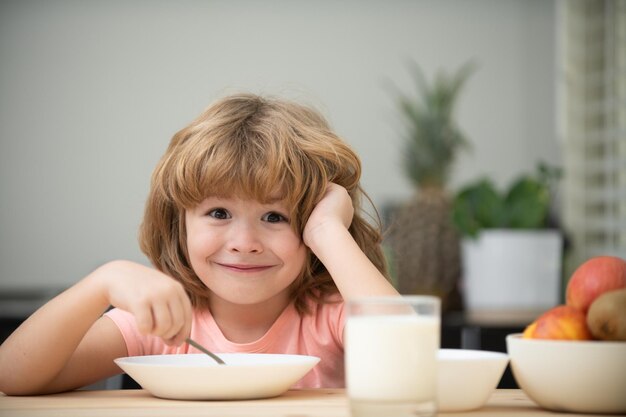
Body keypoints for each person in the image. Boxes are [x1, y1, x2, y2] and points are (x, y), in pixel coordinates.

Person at [0, 93, 399, 395]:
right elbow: (12, 377)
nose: (244, 243)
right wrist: (102, 282)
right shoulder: (163, 321)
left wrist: (329, 231)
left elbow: (406, 359)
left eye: (275, 217)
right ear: (180, 224)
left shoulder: (330, 315)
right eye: (219, 214)